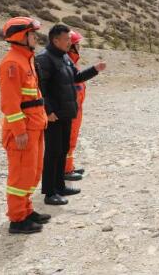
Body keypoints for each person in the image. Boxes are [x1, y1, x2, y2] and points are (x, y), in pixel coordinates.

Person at [36, 24, 105, 205]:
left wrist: (95, 70)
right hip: (54, 115)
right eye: (66, 39)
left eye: (69, 39)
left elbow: (77, 77)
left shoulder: (65, 57)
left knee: (62, 150)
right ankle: (50, 193)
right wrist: (48, 110)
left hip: (66, 113)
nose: (69, 42)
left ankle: (60, 186)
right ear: (55, 40)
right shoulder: (44, 59)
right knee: (52, 153)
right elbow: (41, 88)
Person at [0, 17, 50, 234]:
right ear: (21, 36)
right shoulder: (12, 63)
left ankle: (27, 210)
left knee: (32, 172)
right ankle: (17, 219)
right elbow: (9, 103)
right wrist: (18, 130)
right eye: (32, 33)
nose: (35, 37)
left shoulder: (26, 59)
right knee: (20, 175)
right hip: (23, 130)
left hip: (35, 126)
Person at [64, 31, 87, 181]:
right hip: (70, 109)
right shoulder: (66, 63)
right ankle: (65, 170)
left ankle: (69, 167)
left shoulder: (72, 62)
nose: (79, 47)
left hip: (76, 108)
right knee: (67, 140)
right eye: (77, 45)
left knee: (72, 139)